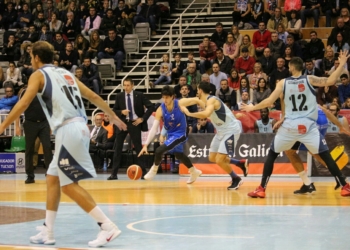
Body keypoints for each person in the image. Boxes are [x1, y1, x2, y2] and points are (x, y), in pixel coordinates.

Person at [0, 41, 127, 247]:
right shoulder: (67, 74)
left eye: (31, 57)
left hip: (68, 129)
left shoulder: (38, 75)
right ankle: (47, 231)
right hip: (77, 127)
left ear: (37, 58)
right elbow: (93, 96)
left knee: (68, 186)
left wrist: (3, 125)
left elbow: (23, 103)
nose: (30, 61)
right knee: (52, 178)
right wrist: (112, 116)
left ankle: (107, 226)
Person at [241, 52, 350, 198]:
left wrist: (251, 108)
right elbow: (330, 81)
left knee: (272, 154)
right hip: (308, 126)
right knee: (325, 155)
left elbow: (268, 102)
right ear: (302, 67)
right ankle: (345, 186)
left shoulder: (283, 83)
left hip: (290, 126)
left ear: (292, 67)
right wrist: (342, 64)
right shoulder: (310, 79)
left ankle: (261, 188)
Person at [181, 82, 249, 190]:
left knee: (219, 160)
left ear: (200, 90)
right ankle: (240, 163)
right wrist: (177, 103)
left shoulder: (211, 100)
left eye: (197, 90)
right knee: (212, 157)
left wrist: (189, 113)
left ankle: (236, 178)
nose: (196, 92)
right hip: (221, 131)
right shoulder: (204, 101)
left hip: (230, 130)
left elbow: (206, 114)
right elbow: (183, 102)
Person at [138, 86, 202, 183]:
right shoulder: (161, 109)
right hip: (171, 134)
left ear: (172, 97)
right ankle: (194, 171)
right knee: (178, 154)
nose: (165, 100)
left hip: (181, 133)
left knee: (159, 150)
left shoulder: (179, 103)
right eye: (163, 97)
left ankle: (153, 170)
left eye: (167, 97)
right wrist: (146, 144)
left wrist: (205, 105)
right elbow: (154, 128)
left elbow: (196, 100)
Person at [108, 78, 154, 180]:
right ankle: (114, 174)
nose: (126, 87)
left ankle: (143, 172)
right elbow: (114, 110)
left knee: (138, 148)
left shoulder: (139, 95)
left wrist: (142, 119)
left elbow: (151, 107)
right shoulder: (119, 96)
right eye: (124, 85)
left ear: (132, 85)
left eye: (128, 85)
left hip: (134, 123)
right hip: (123, 123)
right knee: (118, 148)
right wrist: (121, 112)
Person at [15, 86, 53, 184]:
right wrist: (17, 126)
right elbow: (18, 108)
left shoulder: (45, 92)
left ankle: (49, 173)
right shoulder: (25, 92)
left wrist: (52, 125)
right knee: (29, 149)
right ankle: (30, 176)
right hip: (30, 123)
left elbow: (50, 109)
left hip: (44, 123)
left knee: (48, 147)